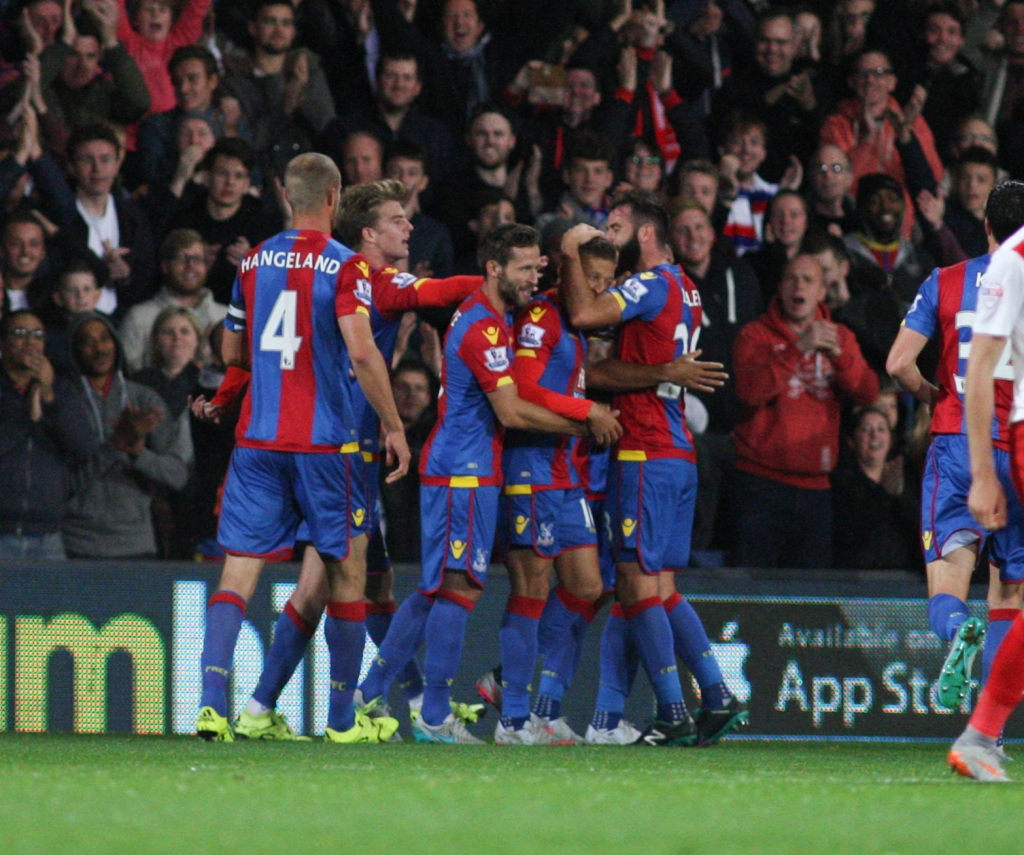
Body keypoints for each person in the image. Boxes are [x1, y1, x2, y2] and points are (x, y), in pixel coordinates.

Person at [228, 178, 487, 739]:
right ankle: (323, 712)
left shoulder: (347, 275)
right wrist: (497, 279)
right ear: (367, 233)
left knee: (373, 584)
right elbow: (437, 292)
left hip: (338, 450)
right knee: (328, 585)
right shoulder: (370, 279)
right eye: (397, 220)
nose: (409, 227)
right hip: (338, 453)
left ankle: (407, 701)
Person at [193, 153, 409, 745]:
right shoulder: (345, 266)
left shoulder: (253, 261)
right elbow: (363, 353)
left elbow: (233, 353)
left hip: (257, 442)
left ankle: (212, 704)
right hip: (324, 445)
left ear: (287, 196)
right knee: (346, 571)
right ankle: (342, 719)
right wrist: (392, 425)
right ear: (335, 197)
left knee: (238, 574)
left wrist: (241, 391)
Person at [365, 223, 593, 745]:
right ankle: (432, 713)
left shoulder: (492, 315)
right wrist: (584, 422)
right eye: (523, 269)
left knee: (440, 586)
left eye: (538, 267)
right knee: (459, 587)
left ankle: (371, 695)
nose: (533, 278)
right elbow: (511, 410)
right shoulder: (486, 327)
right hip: (463, 469)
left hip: (466, 466)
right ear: (494, 269)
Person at [559, 191, 740, 747]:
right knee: (660, 587)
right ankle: (716, 693)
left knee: (637, 587)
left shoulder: (649, 283)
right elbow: (641, 361)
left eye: (613, 227)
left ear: (643, 235)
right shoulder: (686, 288)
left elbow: (583, 315)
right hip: (676, 450)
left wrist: (569, 254)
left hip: (644, 449)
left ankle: (672, 709)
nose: (602, 235)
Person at [886, 180, 1024, 713]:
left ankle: (955, 630)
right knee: (1008, 596)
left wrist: (929, 393)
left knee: (947, 583)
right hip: (1016, 445)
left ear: (986, 226)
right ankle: (987, 731)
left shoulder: (945, 281)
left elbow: (899, 362)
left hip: (958, 442)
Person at [731, 253, 879, 568]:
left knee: (809, 596)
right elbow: (749, 392)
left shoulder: (839, 337)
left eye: (808, 280)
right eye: (791, 279)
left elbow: (869, 392)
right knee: (753, 593)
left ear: (822, 292)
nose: (799, 286)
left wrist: (840, 359)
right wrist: (798, 349)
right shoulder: (754, 336)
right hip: (761, 486)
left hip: (817, 490)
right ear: (780, 289)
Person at [947, 187, 1024, 782]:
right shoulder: (1013, 259)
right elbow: (979, 368)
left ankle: (982, 733)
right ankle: (982, 731)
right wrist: (980, 474)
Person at [669, 200, 761, 551]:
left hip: (744, 420)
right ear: (672, 239)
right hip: (696, 422)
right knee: (699, 518)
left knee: (741, 521)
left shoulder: (739, 273)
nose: (692, 236)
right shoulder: (669, 284)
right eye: (682, 230)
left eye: (698, 228)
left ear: (711, 233)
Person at [62, 312, 192, 558]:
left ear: (117, 344)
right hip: (75, 542)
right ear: (74, 350)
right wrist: (115, 445)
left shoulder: (145, 399)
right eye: (87, 341)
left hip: (136, 541)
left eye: (105, 339)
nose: (99, 348)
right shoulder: (63, 400)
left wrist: (139, 454)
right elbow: (58, 482)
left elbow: (178, 474)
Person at [0, 310, 93, 560]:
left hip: (48, 535)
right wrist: (28, 417)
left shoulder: (62, 390)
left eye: (38, 335)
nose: (30, 342)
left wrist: (49, 397)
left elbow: (83, 446)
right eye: (20, 333)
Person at [163, 138, 281, 304]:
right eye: (222, 174)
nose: (230, 182)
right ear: (206, 177)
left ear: (247, 183)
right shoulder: (186, 214)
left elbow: (278, 282)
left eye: (238, 176)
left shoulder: (262, 221)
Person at [66, 123, 157, 315]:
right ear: (72, 167)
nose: (97, 169)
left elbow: (148, 279)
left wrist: (126, 276)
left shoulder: (134, 217)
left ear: (117, 165)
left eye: (105, 160)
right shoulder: (61, 216)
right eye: (87, 160)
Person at [118, 228, 226, 373]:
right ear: (165, 266)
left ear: (207, 266)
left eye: (197, 259)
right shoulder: (139, 317)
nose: (190, 267)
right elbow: (127, 375)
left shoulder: (226, 316)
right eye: (181, 259)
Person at [39, 0, 150, 132]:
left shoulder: (104, 95)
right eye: (74, 55)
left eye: (90, 56)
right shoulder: (45, 91)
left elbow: (139, 103)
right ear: (61, 55)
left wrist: (111, 43)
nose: (82, 64)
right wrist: (64, 43)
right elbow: (26, 91)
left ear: (99, 58)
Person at [830, 406, 919, 569]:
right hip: (857, 577)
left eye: (881, 429)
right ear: (851, 440)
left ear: (891, 439)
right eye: (865, 430)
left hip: (903, 577)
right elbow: (850, 532)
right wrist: (885, 494)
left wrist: (900, 495)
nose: (874, 435)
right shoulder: (841, 482)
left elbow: (919, 528)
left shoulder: (906, 476)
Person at [384, 138, 454, 278]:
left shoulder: (436, 235)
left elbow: (445, 289)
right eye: (396, 171)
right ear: (384, 176)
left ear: (423, 182)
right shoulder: (371, 227)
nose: (403, 179)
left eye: (412, 173)